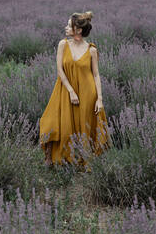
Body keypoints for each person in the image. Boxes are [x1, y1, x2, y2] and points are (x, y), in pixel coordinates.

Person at [39, 11, 113, 169]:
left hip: (87, 92)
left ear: (78, 30)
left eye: (69, 25)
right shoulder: (63, 44)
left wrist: (99, 99)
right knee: (50, 120)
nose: (66, 28)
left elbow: (96, 75)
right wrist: (71, 91)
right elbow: (59, 70)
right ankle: (51, 158)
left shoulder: (91, 50)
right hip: (65, 89)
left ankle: (83, 159)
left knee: (84, 126)